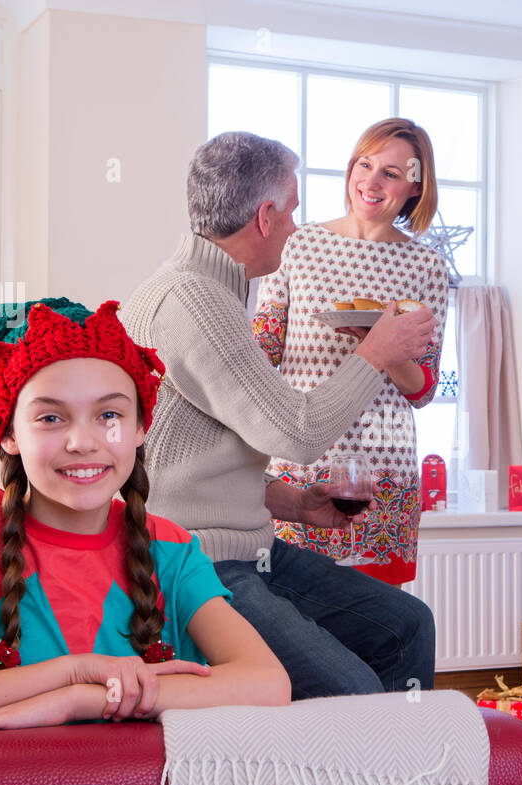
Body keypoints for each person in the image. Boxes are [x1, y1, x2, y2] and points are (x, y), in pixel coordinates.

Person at [0, 298, 290, 745]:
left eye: (110, 415)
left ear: (140, 428)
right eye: (51, 418)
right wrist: (69, 672)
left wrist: (82, 699)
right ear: (7, 434)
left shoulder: (170, 549)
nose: (83, 442)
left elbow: (269, 683)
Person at [120, 131, 438, 700]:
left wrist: (291, 502)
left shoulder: (216, 291)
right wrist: (376, 351)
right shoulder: (195, 302)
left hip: (250, 544)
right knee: (353, 688)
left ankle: (400, 783)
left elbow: (194, 454)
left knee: (407, 626)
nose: (295, 227)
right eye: (290, 211)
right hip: (200, 561)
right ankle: (345, 778)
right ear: (265, 218)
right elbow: (297, 432)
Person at [252, 118, 449, 586]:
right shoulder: (297, 246)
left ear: (414, 188)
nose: (372, 181)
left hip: (386, 471)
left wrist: (379, 343)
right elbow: (262, 355)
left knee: (381, 629)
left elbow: (422, 390)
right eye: (366, 164)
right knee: (293, 623)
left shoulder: (428, 267)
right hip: (301, 469)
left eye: (392, 173)